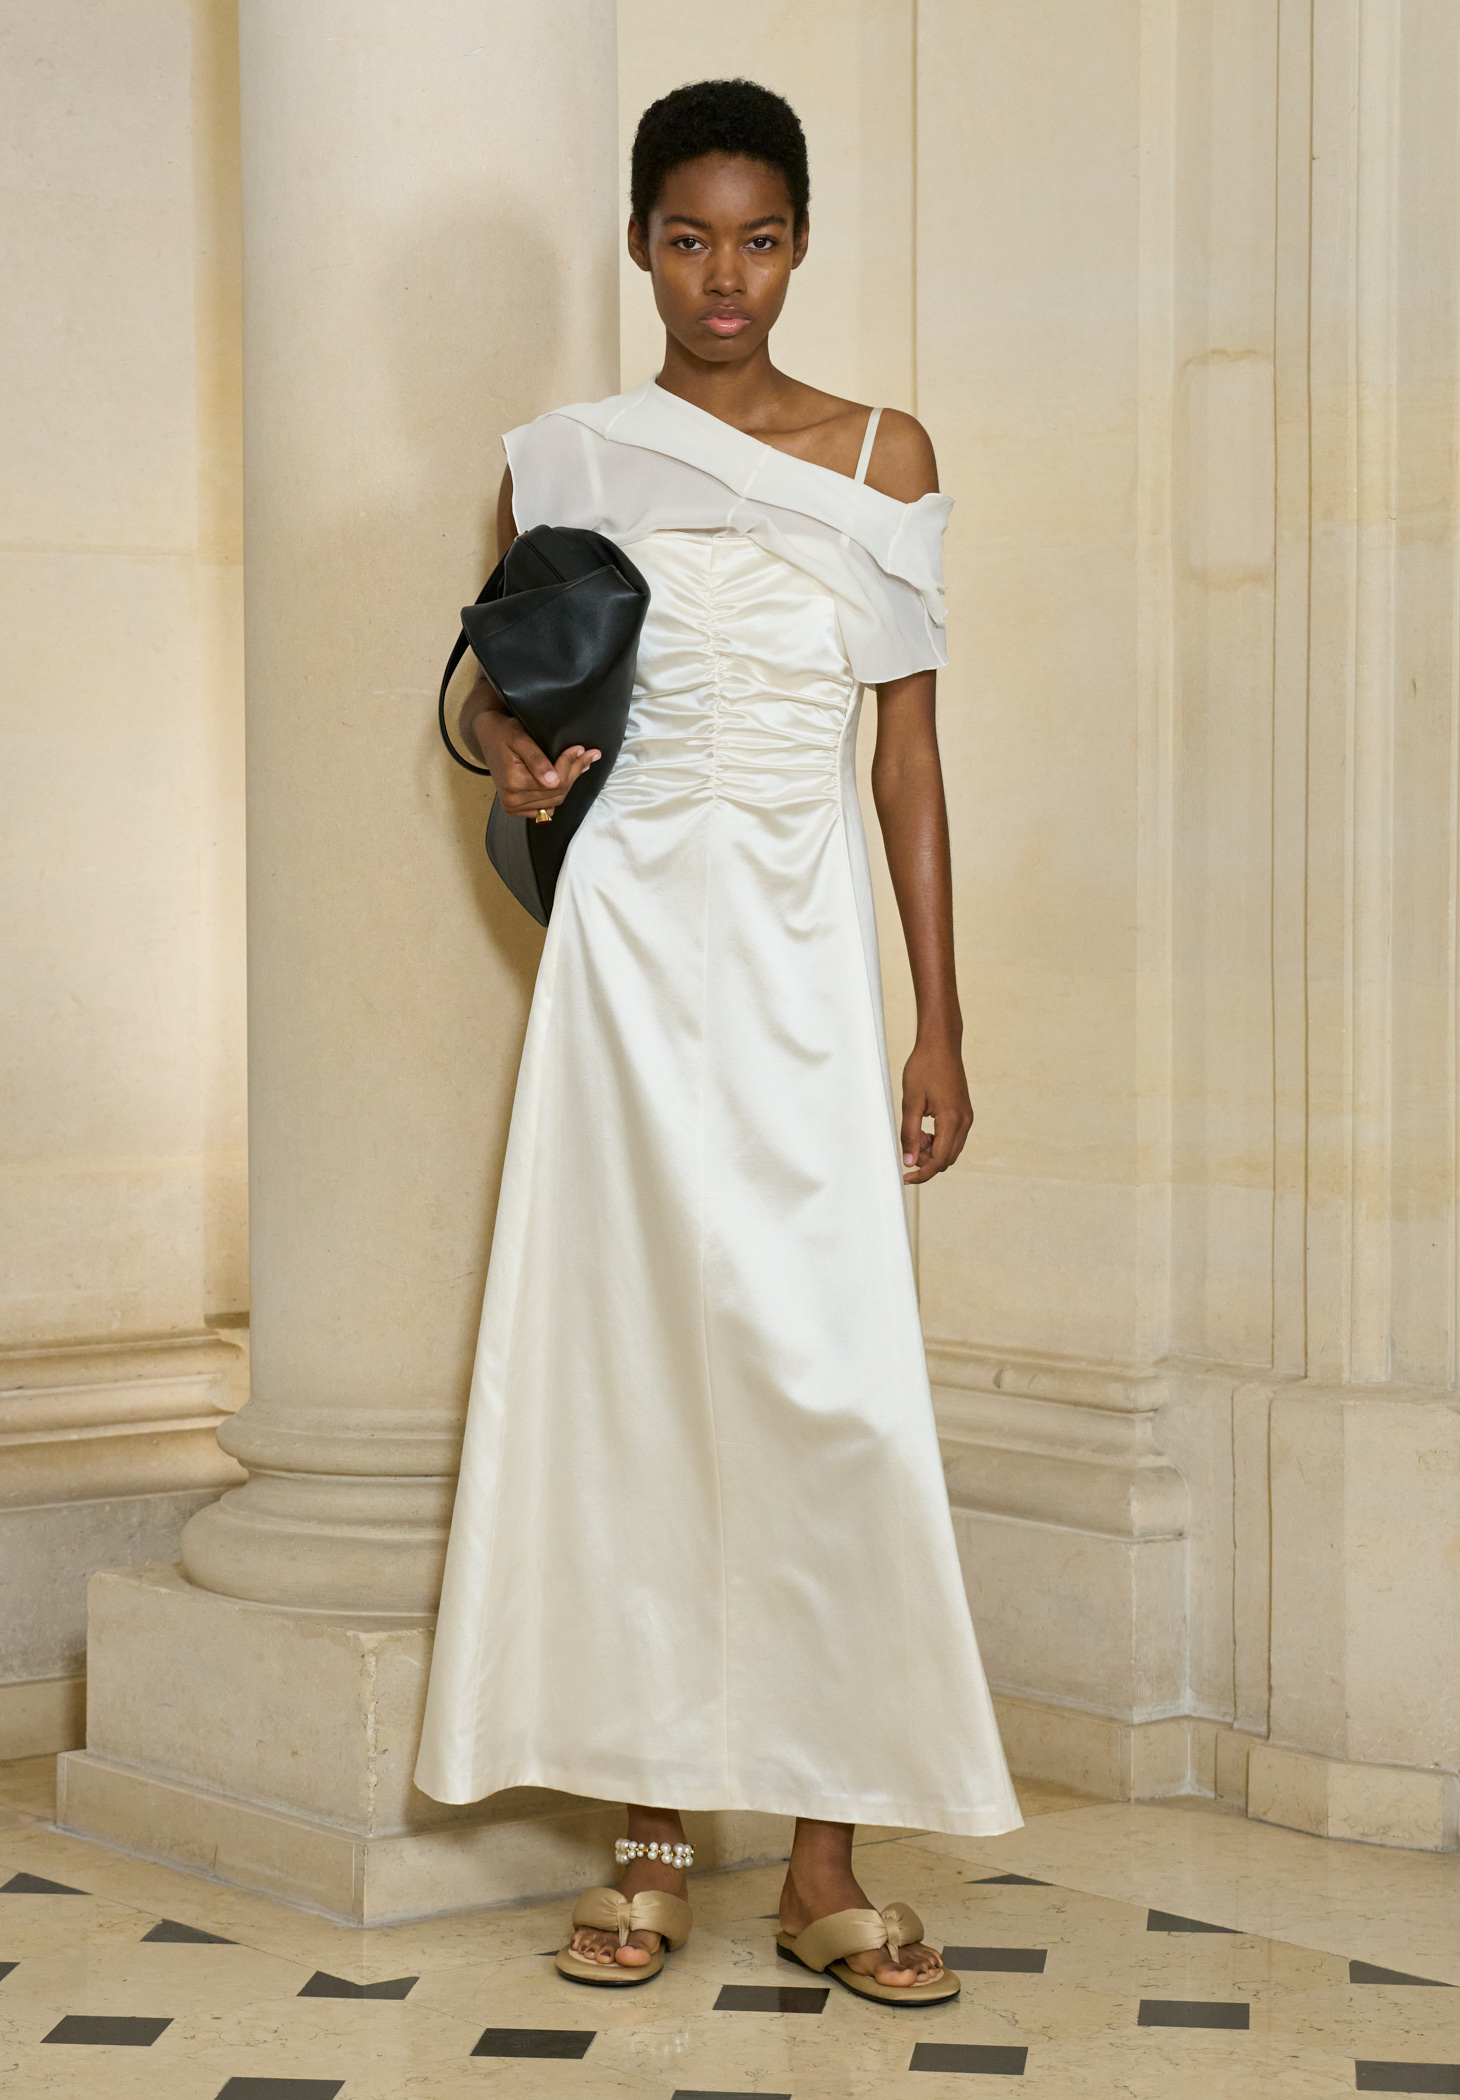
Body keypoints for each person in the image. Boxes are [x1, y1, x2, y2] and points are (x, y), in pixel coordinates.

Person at [415, 77, 1021, 2004]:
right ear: (637, 245)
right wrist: (505, 758)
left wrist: (938, 1019)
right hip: (628, 955)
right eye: (689, 238)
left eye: (759, 239)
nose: (724, 278)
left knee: (828, 1376)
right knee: (633, 1365)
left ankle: (828, 1859)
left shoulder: (882, 450)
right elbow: (502, 717)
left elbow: (907, 759)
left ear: (802, 243)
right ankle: (654, 1840)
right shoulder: (564, 459)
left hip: (801, 940)